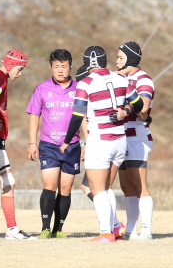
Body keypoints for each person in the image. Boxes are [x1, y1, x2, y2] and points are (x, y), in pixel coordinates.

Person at [60, 46, 143, 242]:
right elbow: (139, 104)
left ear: (87, 63)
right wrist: (125, 111)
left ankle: (106, 233)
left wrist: (66, 141)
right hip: (120, 140)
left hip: (100, 140)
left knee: (97, 189)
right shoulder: (121, 78)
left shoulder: (86, 83)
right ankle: (114, 229)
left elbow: (77, 115)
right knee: (107, 188)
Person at [0, 49, 35, 240]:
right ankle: (12, 229)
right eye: (19, 69)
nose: (19, 74)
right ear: (11, 66)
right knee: (8, 181)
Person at [27, 49, 81, 239]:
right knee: (50, 184)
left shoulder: (79, 89)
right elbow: (34, 116)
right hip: (49, 144)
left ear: (70, 67)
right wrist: (32, 143)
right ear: (50, 67)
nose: (60, 70)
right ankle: (45, 228)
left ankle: (58, 229)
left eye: (63, 66)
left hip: (72, 145)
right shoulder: (42, 88)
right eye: (56, 66)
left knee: (65, 188)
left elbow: (83, 117)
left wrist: (87, 143)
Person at [114, 42, 155, 240]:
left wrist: (127, 87)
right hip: (120, 135)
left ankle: (146, 229)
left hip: (137, 137)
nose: (116, 62)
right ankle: (130, 229)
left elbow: (144, 107)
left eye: (120, 58)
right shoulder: (119, 78)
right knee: (126, 186)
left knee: (139, 185)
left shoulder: (143, 79)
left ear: (130, 59)